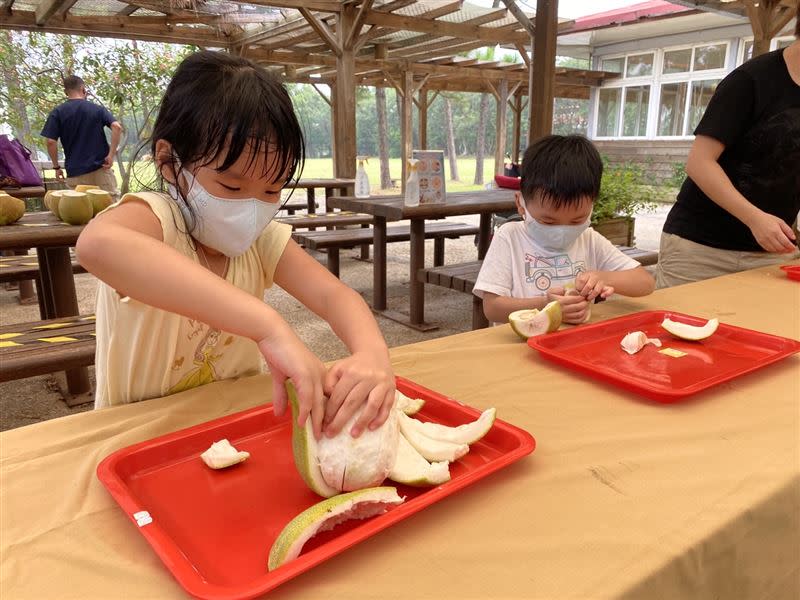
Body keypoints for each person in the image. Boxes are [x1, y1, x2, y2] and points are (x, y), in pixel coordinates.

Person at [76, 51, 395, 440]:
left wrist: (373, 354)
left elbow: (335, 297)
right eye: (231, 186)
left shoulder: (260, 241)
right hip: (137, 440)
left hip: (236, 434)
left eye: (272, 189)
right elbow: (96, 244)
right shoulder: (158, 219)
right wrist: (269, 328)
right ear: (168, 160)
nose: (251, 207)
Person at [656, 11, 800, 288]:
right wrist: (755, 218)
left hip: (772, 252)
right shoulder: (750, 80)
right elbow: (700, 163)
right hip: (700, 248)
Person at [474, 135, 655, 325]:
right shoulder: (510, 237)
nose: (562, 230)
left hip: (574, 343)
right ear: (521, 204)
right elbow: (492, 308)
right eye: (548, 221)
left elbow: (645, 282)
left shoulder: (588, 239)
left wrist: (603, 277)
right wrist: (545, 304)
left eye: (577, 220)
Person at [40, 75, 123, 198]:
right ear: (83, 89)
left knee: (78, 214)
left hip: (75, 173)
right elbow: (117, 127)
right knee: (110, 209)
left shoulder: (58, 112)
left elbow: (51, 142)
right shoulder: (97, 109)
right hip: (100, 169)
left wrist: (56, 167)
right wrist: (110, 155)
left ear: (66, 92)